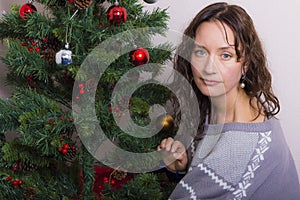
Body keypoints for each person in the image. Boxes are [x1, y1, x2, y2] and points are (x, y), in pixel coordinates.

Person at [157, 2, 300, 199]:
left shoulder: (241, 145)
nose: (209, 67)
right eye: (200, 52)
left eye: (225, 55)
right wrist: (184, 167)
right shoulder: (219, 102)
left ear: (246, 64)